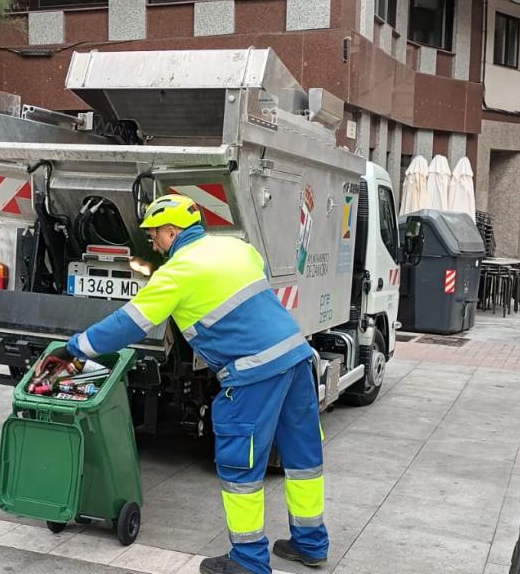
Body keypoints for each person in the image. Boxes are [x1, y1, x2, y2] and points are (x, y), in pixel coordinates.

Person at [39, 194, 329, 574]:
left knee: (241, 468)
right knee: (303, 457)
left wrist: (74, 348)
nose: (152, 243)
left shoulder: (177, 273)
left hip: (254, 373)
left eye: (154, 235)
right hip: (296, 357)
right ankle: (311, 544)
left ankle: (249, 562)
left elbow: (128, 324)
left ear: (172, 230)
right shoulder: (238, 249)